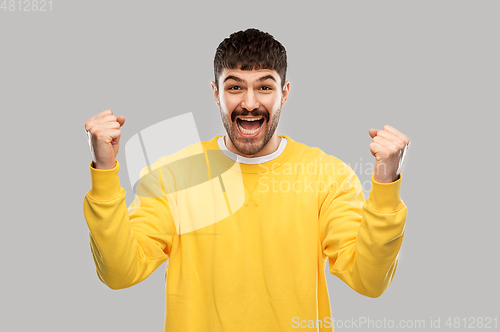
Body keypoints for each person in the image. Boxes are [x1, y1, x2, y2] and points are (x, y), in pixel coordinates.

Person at [83, 28, 410, 332]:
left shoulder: (327, 176)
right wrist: (105, 167)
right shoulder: (172, 174)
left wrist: (385, 183)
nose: (250, 103)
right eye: (235, 86)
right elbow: (119, 273)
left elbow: (370, 281)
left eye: (265, 87)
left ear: (284, 93)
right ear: (216, 93)